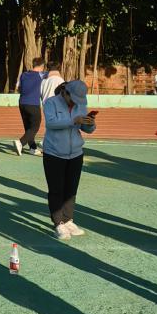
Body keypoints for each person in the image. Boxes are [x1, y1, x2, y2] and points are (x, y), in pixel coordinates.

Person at [41, 80, 96, 240]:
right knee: (56, 189)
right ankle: (58, 223)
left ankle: (68, 220)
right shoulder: (51, 103)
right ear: (65, 92)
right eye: (73, 99)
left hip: (76, 153)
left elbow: (86, 129)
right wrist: (73, 120)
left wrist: (90, 124)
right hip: (54, 153)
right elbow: (51, 123)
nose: (75, 103)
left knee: (71, 189)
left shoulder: (80, 105)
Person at [13, 58, 46, 156]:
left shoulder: (23, 74)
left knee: (28, 127)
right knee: (35, 126)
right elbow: (53, 75)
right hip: (33, 104)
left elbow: (18, 88)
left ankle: (33, 148)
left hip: (22, 103)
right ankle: (20, 142)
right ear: (42, 66)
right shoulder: (41, 74)